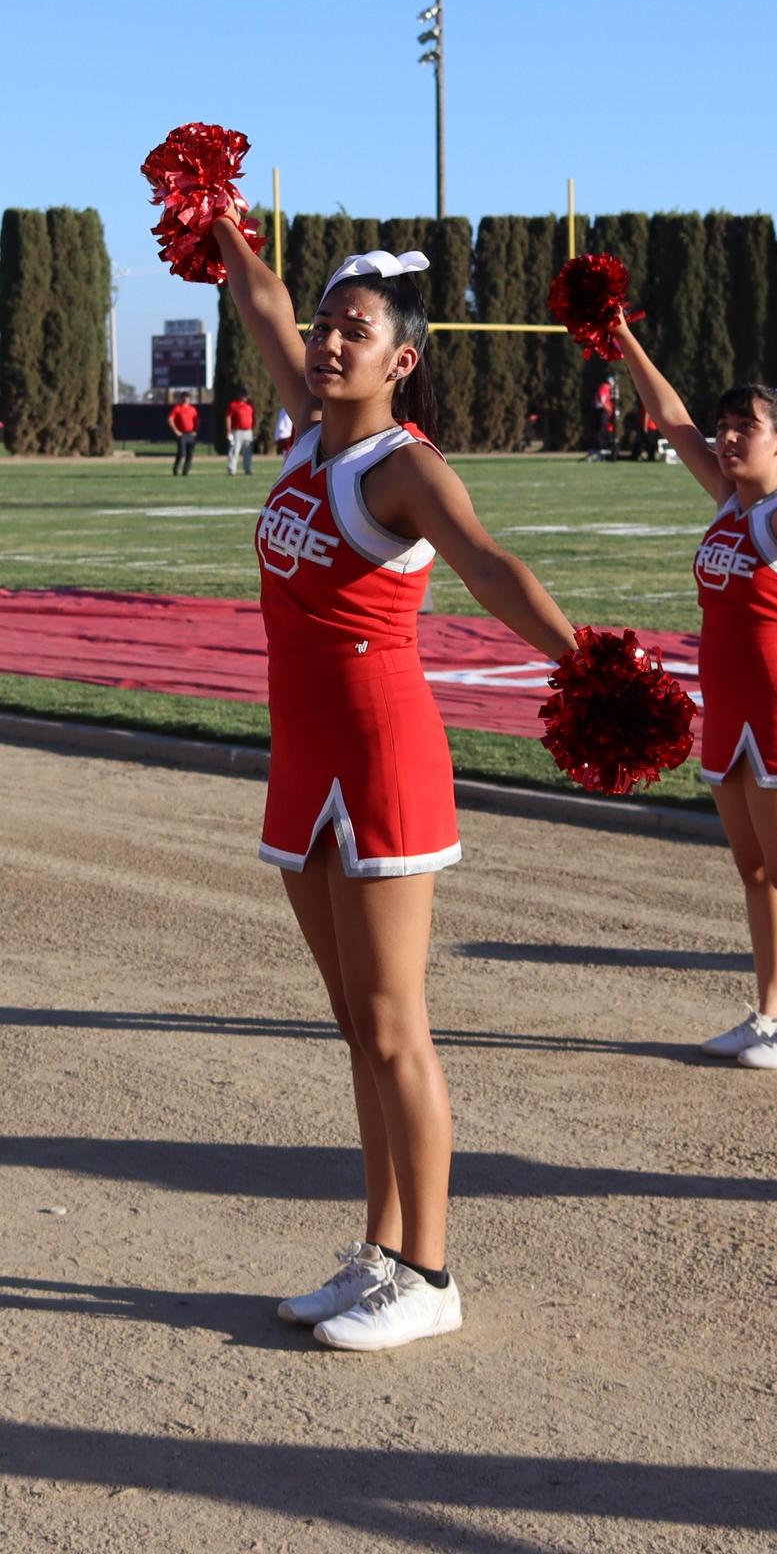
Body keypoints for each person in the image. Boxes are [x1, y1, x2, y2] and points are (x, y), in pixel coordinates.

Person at [206, 214, 581, 1351]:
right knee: (352, 1026)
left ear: (400, 359)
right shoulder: (306, 439)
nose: (326, 345)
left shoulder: (401, 466)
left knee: (393, 1025)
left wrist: (587, 662)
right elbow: (264, 307)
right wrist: (220, 227)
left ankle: (429, 1271)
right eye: (325, 329)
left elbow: (488, 563)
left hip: (381, 755)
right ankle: (378, 1251)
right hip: (305, 753)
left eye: (353, 333)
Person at [611, 316, 777, 1070]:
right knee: (754, 871)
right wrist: (623, 336)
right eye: (724, 427)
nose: (727, 437)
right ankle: (770, 1010)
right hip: (730, 710)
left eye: (746, 426)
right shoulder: (726, 499)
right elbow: (669, 416)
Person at [225, 386, 256, 476]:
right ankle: (232, 469)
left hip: (248, 431)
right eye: (243, 395)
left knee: (248, 452)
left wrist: (253, 428)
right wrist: (229, 431)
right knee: (234, 450)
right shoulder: (233, 405)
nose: (245, 397)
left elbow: (252, 417)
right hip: (237, 431)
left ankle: (248, 469)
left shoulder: (249, 405)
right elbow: (228, 418)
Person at [167, 392, 198, 475]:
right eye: (184, 397)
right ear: (181, 398)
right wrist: (176, 431)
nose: (186, 399)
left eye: (187, 397)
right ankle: (176, 469)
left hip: (190, 434)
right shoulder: (177, 408)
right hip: (182, 434)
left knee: (190, 453)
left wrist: (195, 431)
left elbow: (196, 421)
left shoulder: (192, 409)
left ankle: (186, 471)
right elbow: (170, 420)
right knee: (181, 453)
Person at [594, 374, 617, 454]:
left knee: (605, 429)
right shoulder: (604, 387)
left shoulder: (607, 389)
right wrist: (610, 410)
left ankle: (604, 446)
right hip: (602, 411)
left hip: (603, 411)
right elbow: (602, 401)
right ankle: (601, 447)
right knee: (602, 429)